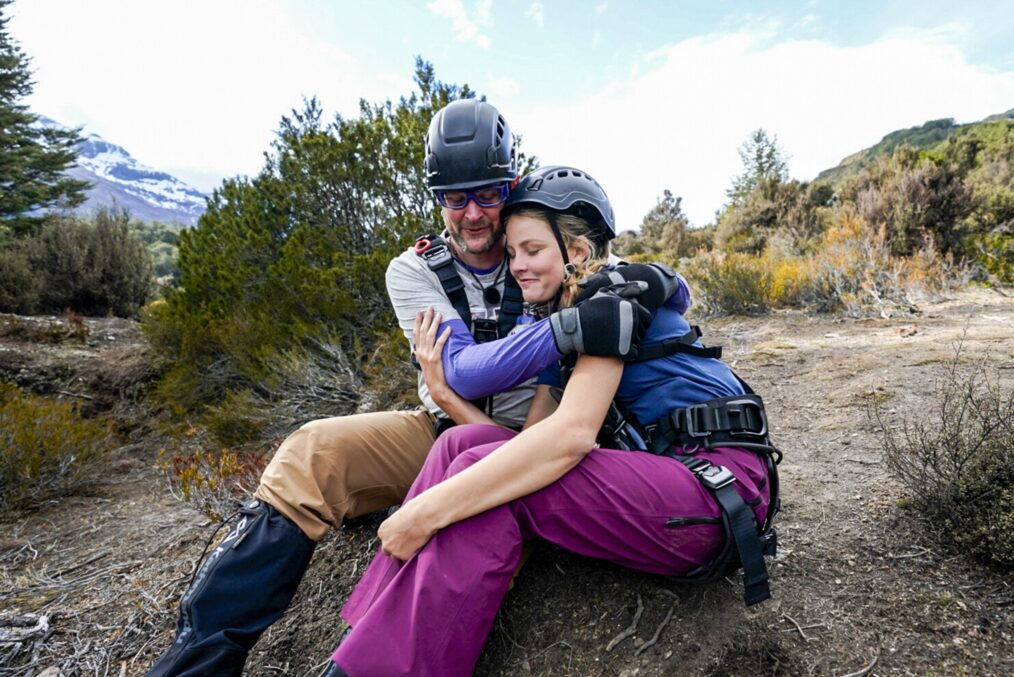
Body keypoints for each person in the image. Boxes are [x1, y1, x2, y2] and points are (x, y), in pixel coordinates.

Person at [148, 103, 662, 677]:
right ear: (435, 197)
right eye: (453, 197)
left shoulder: (544, 249)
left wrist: (460, 379)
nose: (471, 214)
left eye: (488, 194)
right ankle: (199, 662)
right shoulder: (416, 270)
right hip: (441, 429)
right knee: (311, 452)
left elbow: (476, 367)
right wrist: (559, 333)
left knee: (477, 504)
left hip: (530, 435)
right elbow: (465, 371)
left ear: (510, 184)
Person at [322, 166, 780, 676]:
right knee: (462, 446)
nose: (517, 266)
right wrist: (446, 395)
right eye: (513, 252)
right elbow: (520, 441)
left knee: (501, 484)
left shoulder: (609, 304)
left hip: (714, 496)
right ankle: (361, 639)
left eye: (532, 250)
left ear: (576, 253)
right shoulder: (563, 324)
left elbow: (568, 438)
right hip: (674, 484)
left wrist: (421, 514)